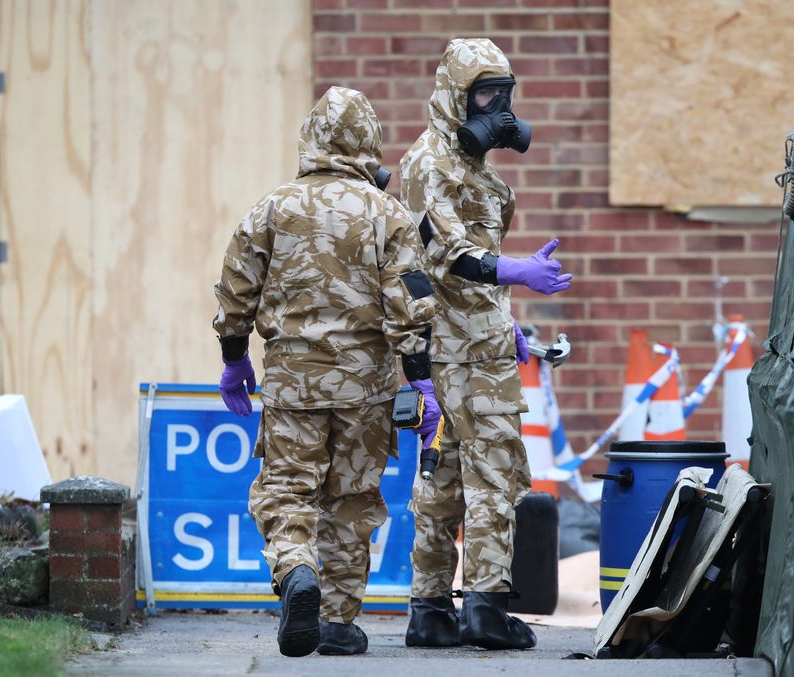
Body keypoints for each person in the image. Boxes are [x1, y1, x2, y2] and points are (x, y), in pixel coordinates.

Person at [212, 86, 439, 658]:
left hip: (292, 382)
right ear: (369, 142)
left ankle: (295, 570)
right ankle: (338, 622)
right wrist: (423, 380)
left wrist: (234, 357)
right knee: (352, 500)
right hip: (365, 388)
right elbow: (410, 302)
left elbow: (236, 290)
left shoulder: (272, 208)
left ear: (310, 137)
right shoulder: (387, 213)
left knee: (288, 490)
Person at [399, 38, 572, 651]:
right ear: (454, 95)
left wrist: (507, 320)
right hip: (455, 353)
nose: (497, 108)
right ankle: (486, 609)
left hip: (475, 344)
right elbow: (439, 259)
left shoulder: (476, 172)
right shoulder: (428, 164)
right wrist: (517, 272)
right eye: (484, 95)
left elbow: (475, 279)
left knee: (445, 481)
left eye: (504, 94)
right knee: (495, 476)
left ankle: (430, 610)